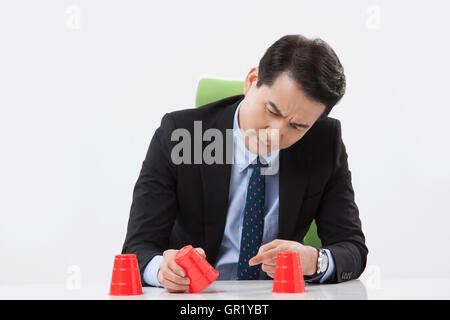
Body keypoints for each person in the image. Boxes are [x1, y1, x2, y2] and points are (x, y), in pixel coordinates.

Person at [122, 34, 368, 292]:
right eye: (272, 111)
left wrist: (314, 261)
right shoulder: (181, 135)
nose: (275, 133)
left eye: (297, 126)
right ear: (251, 81)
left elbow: (352, 248)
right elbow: (137, 249)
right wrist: (163, 269)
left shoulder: (323, 142)